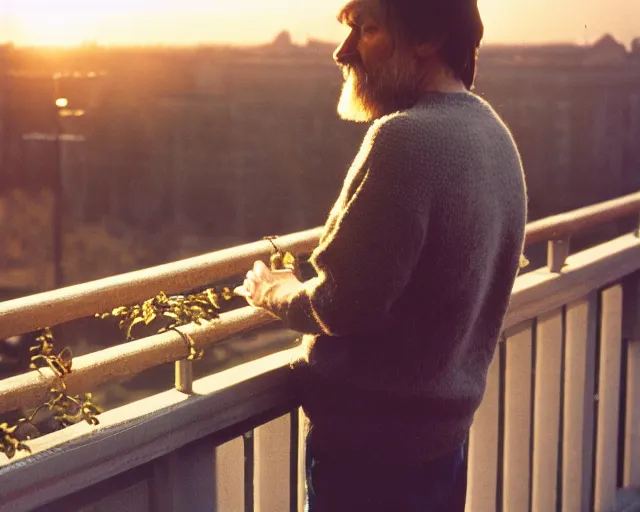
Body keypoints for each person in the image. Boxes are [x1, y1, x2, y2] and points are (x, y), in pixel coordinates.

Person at [234, 0, 527, 510]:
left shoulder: (404, 138)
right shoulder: (491, 134)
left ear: (428, 39)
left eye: (367, 30)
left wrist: (276, 292)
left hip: (369, 462)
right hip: (439, 447)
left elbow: (343, 303)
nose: (341, 52)